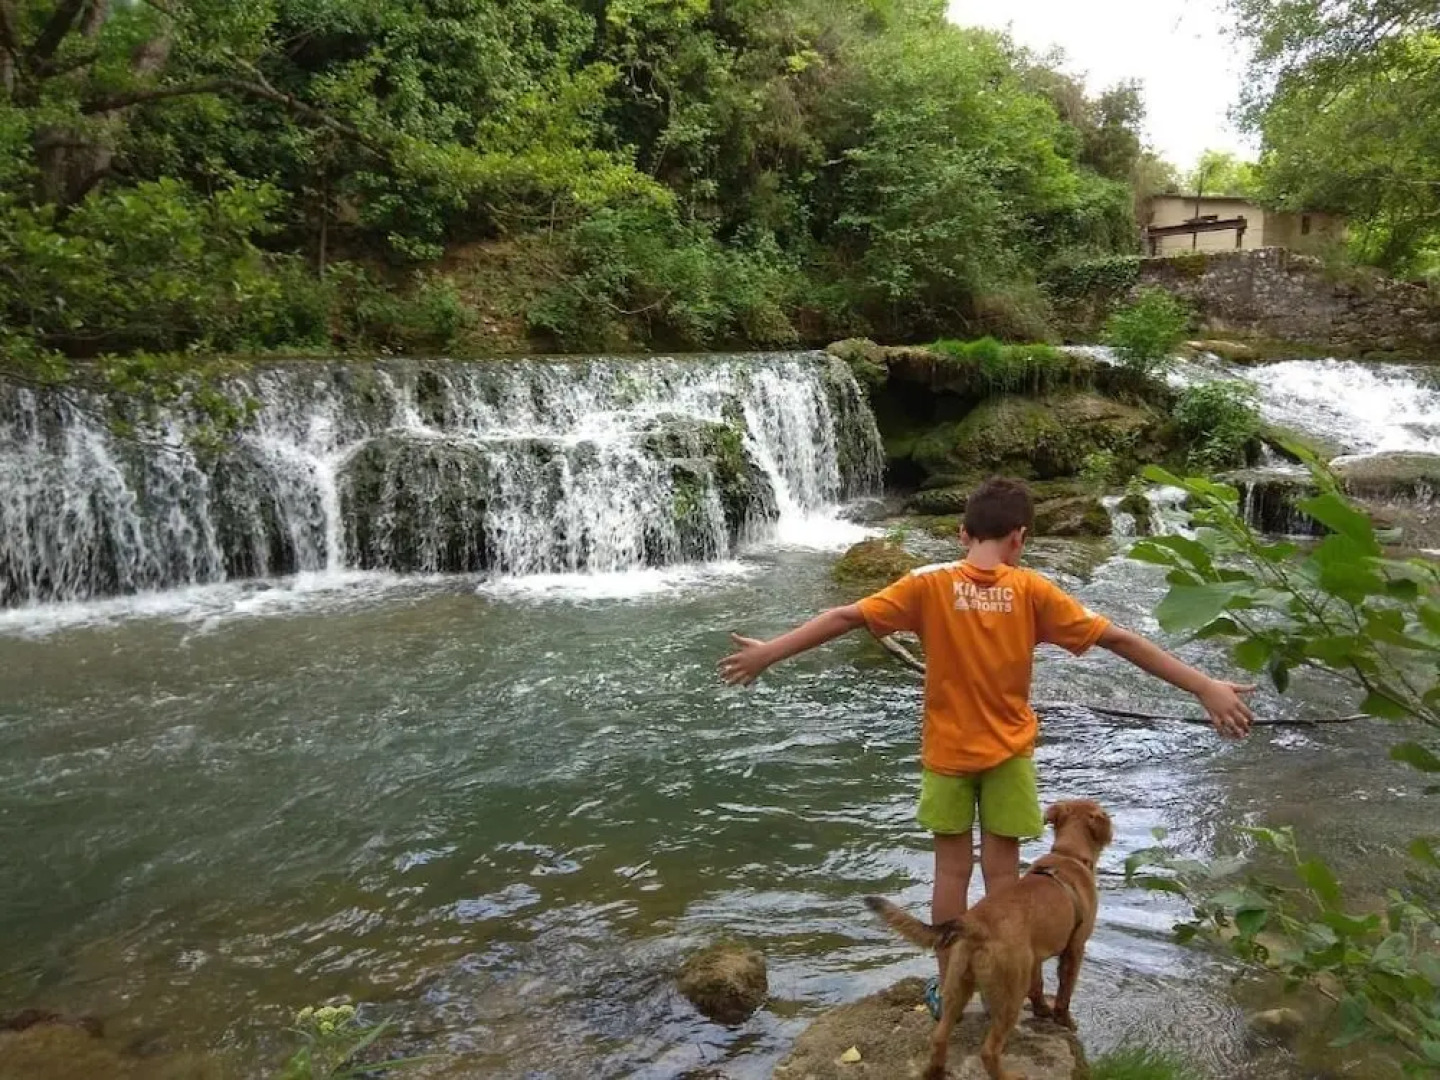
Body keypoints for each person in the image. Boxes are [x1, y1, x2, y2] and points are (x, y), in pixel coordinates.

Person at [718, 476, 1254, 1018]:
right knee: (1004, 879)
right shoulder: (1032, 591)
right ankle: (1017, 987)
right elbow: (1119, 639)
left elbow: (845, 617)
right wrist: (1202, 686)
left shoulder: (927, 584)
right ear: (1019, 538)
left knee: (950, 874)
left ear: (961, 534)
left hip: (946, 757)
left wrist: (769, 652)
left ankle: (948, 986)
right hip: (1009, 758)